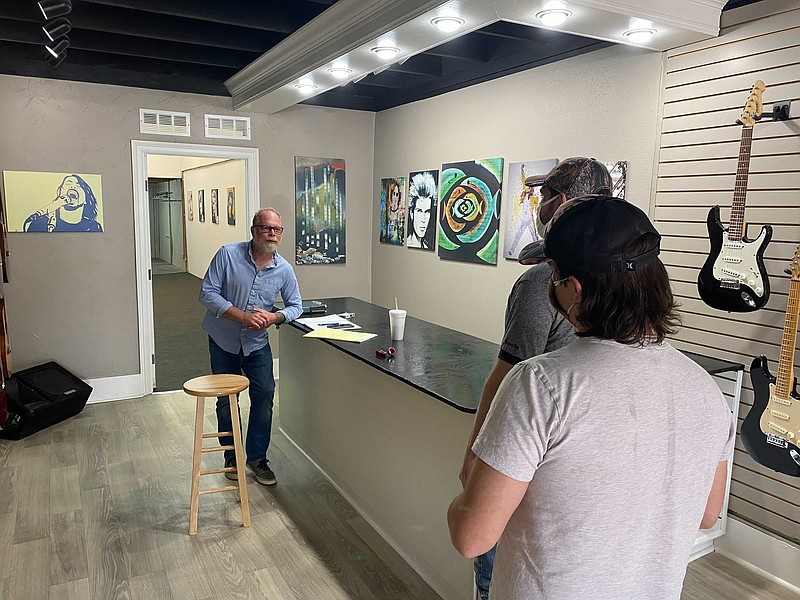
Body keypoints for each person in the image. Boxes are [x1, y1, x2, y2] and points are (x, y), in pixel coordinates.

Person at [449, 196, 735, 600]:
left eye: (554, 276)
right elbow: (707, 515)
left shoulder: (540, 385)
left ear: (575, 289)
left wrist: (464, 495)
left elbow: (470, 537)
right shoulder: (707, 391)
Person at [458, 157, 612, 600]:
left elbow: (510, 374)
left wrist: (473, 456)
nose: (538, 204)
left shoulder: (541, 283)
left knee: (496, 563)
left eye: (543, 196)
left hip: (532, 447)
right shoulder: (619, 281)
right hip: (586, 462)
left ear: (561, 202)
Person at [199, 207, 302, 485]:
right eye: (267, 228)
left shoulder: (283, 269)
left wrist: (274, 317)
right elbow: (207, 293)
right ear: (254, 230)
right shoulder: (227, 255)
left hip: (257, 344)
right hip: (223, 340)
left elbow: (296, 306)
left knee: (265, 395)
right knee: (226, 399)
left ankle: (257, 458)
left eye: (277, 229)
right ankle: (232, 456)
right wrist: (242, 316)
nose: (272, 234)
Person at [23, 173, 103, 232]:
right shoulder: (39, 224)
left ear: (86, 199)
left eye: (79, 186)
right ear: (60, 192)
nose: (73, 186)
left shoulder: (94, 227)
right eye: (68, 183)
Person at [407, 172, 436, 249]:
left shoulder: (426, 246)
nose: (423, 219)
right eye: (419, 211)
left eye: (427, 212)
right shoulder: (406, 243)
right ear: (411, 213)